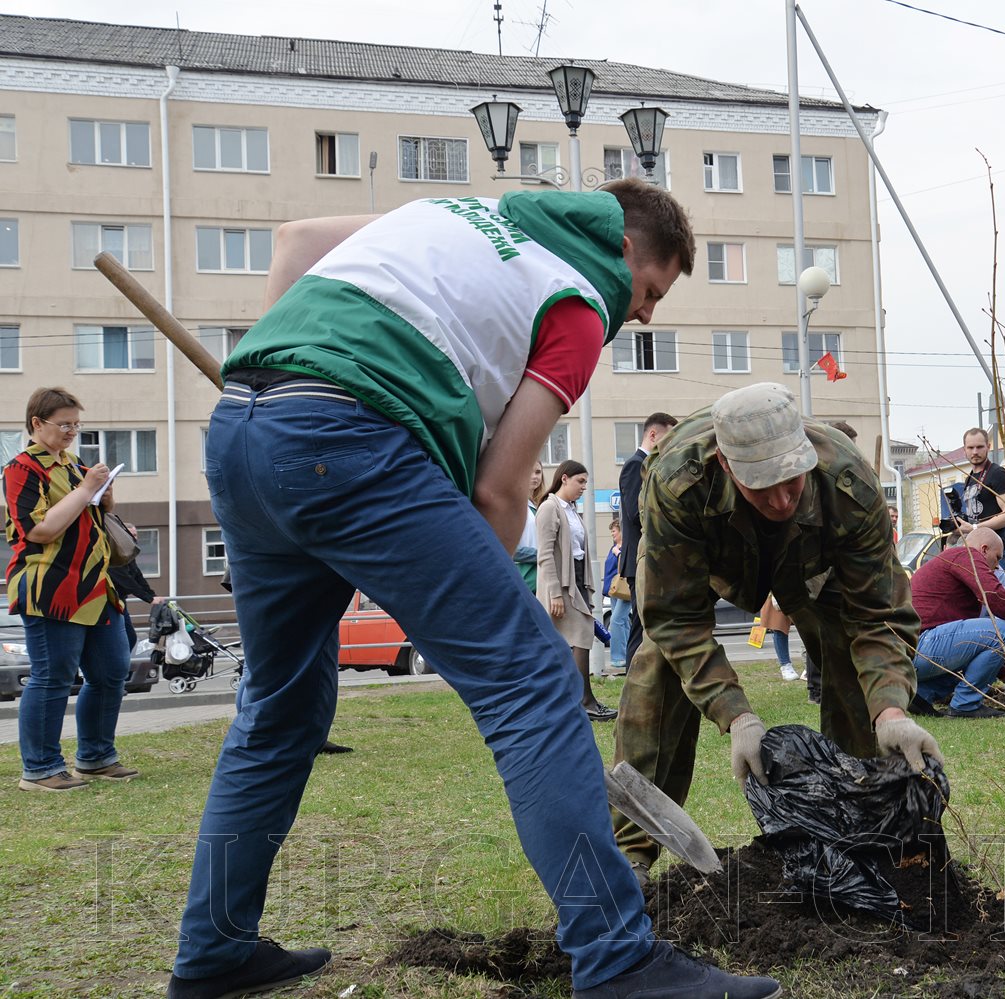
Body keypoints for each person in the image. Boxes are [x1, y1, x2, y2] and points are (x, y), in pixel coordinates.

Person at [168, 181, 783, 999]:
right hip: (351, 434)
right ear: (625, 249)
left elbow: (295, 240)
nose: (641, 315)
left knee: (278, 708)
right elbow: (499, 488)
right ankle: (618, 960)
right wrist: (485, 633)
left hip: (247, 427)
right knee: (533, 681)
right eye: (649, 292)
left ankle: (212, 951)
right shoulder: (577, 299)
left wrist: (296, 386)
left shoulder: (458, 213)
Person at [613, 382, 941, 884]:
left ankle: (864, 836)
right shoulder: (678, 480)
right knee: (656, 667)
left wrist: (891, 710)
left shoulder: (847, 482)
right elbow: (675, 617)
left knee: (853, 663)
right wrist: (737, 715)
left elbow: (877, 614)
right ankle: (630, 855)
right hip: (713, 559)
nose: (783, 499)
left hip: (812, 566)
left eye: (792, 480)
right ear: (727, 466)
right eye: (762, 486)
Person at [5, 387, 139, 791]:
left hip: (96, 584)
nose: (71, 432)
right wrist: (85, 490)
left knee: (112, 671)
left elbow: (91, 515)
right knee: (53, 676)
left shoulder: (76, 465)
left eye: (76, 425)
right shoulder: (21, 468)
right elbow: (39, 529)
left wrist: (105, 497)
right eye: (64, 425)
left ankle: (96, 758)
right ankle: (41, 768)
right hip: (50, 585)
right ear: (37, 423)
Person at [909, 527, 1005, 718]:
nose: (997, 566)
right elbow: (993, 594)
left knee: (980, 644)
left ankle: (921, 695)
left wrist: (1004, 673)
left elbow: (972, 647)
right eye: (997, 558)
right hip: (922, 646)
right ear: (984, 549)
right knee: (1003, 631)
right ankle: (966, 704)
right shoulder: (966, 554)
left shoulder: (949, 560)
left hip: (911, 651)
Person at [537, 461, 616, 721]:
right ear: (564, 478)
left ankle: (571, 702)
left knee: (573, 641)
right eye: (580, 481)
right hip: (561, 585)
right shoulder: (549, 508)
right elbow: (545, 555)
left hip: (577, 581)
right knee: (581, 636)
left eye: (586, 482)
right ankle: (585, 702)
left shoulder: (571, 509)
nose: (584, 487)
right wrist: (554, 593)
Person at [618, 412, 678, 670]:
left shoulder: (652, 466)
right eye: (668, 438)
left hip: (650, 557)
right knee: (640, 624)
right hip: (639, 559)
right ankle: (634, 676)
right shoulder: (635, 465)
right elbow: (635, 513)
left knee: (648, 623)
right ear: (653, 435)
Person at [107, 523, 167, 652]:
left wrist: (152, 595)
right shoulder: (114, 554)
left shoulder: (128, 554)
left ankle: (122, 664)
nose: (134, 538)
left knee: (130, 638)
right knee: (125, 639)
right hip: (109, 603)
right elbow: (126, 580)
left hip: (120, 602)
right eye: (131, 535)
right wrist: (148, 598)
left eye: (135, 535)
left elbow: (137, 576)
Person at [602, 518, 631, 674]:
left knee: (616, 620)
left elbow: (625, 566)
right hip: (614, 590)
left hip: (624, 588)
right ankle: (629, 653)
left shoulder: (623, 548)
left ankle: (618, 657)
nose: (612, 534)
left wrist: (618, 553)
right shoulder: (613, 548)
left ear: (621, 532)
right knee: (623, 621)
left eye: (614, 531)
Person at [512, 460, 544, 593]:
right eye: (530, 472)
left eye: (538, 472)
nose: (535, 476)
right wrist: (542, 555)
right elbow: (509, 548)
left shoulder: (540, 505)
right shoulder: (512, 505)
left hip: (542, 575)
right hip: (524, 575)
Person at [756, 592, 798, 681]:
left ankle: (809, 665)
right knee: (779, 626)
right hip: (776, 591)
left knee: (809, 627)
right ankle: (785, 665)